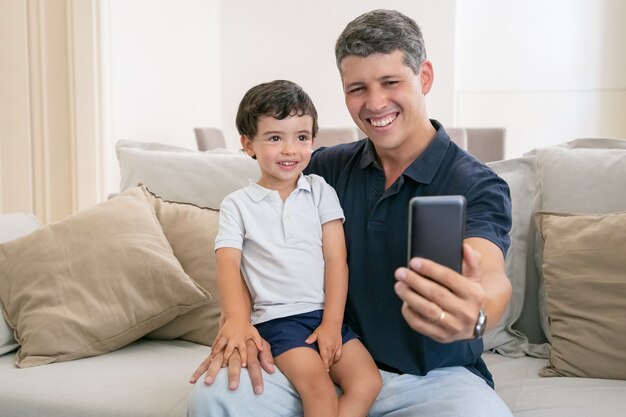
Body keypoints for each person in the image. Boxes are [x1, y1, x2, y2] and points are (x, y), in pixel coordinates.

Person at [189, 9, 514, 417]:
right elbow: (251, 241)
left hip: (433, 378)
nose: (375, 103)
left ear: (425, 77)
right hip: (320, 357)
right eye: (357, 88)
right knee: (216, 394)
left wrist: (477, 311)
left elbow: (490, 276)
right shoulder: (322, 170)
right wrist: (236, 320)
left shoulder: (477, 184)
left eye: (391, 82)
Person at [204, 79, 381, 417]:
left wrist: (332, 324)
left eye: (301, 138)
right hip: (279, 321)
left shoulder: (320, 191)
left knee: (367, 382)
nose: (290, 150)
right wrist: (238, 321)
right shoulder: (237, 205)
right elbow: (227, 264)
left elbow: (336, 259)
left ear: (313, 140)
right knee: (320, 391)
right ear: (248, 145)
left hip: (325, 316)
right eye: (274, 138)